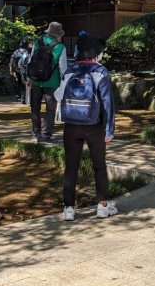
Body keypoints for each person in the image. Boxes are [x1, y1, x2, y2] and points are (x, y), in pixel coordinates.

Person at [55, 34, 115, 221]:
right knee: (99, 166)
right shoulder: (100, 72)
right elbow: (107, 105)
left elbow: (58, 95)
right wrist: (109, 130)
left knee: (71, 167)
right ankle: (102, 206)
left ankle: (68, 209)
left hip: (72, 125)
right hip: (94, 125)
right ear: (96, 53)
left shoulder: (70, 71)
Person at [28, 22, 67, 143]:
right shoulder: (60, 47)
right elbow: (63, 69)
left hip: (35, 81)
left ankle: (36, 133)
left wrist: (29, 78)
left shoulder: (37, 43)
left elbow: (30, 61)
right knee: (50, 110)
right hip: (52, 83)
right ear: (58, 35)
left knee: (35, 108)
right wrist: (63, 85)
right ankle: (46, 135)